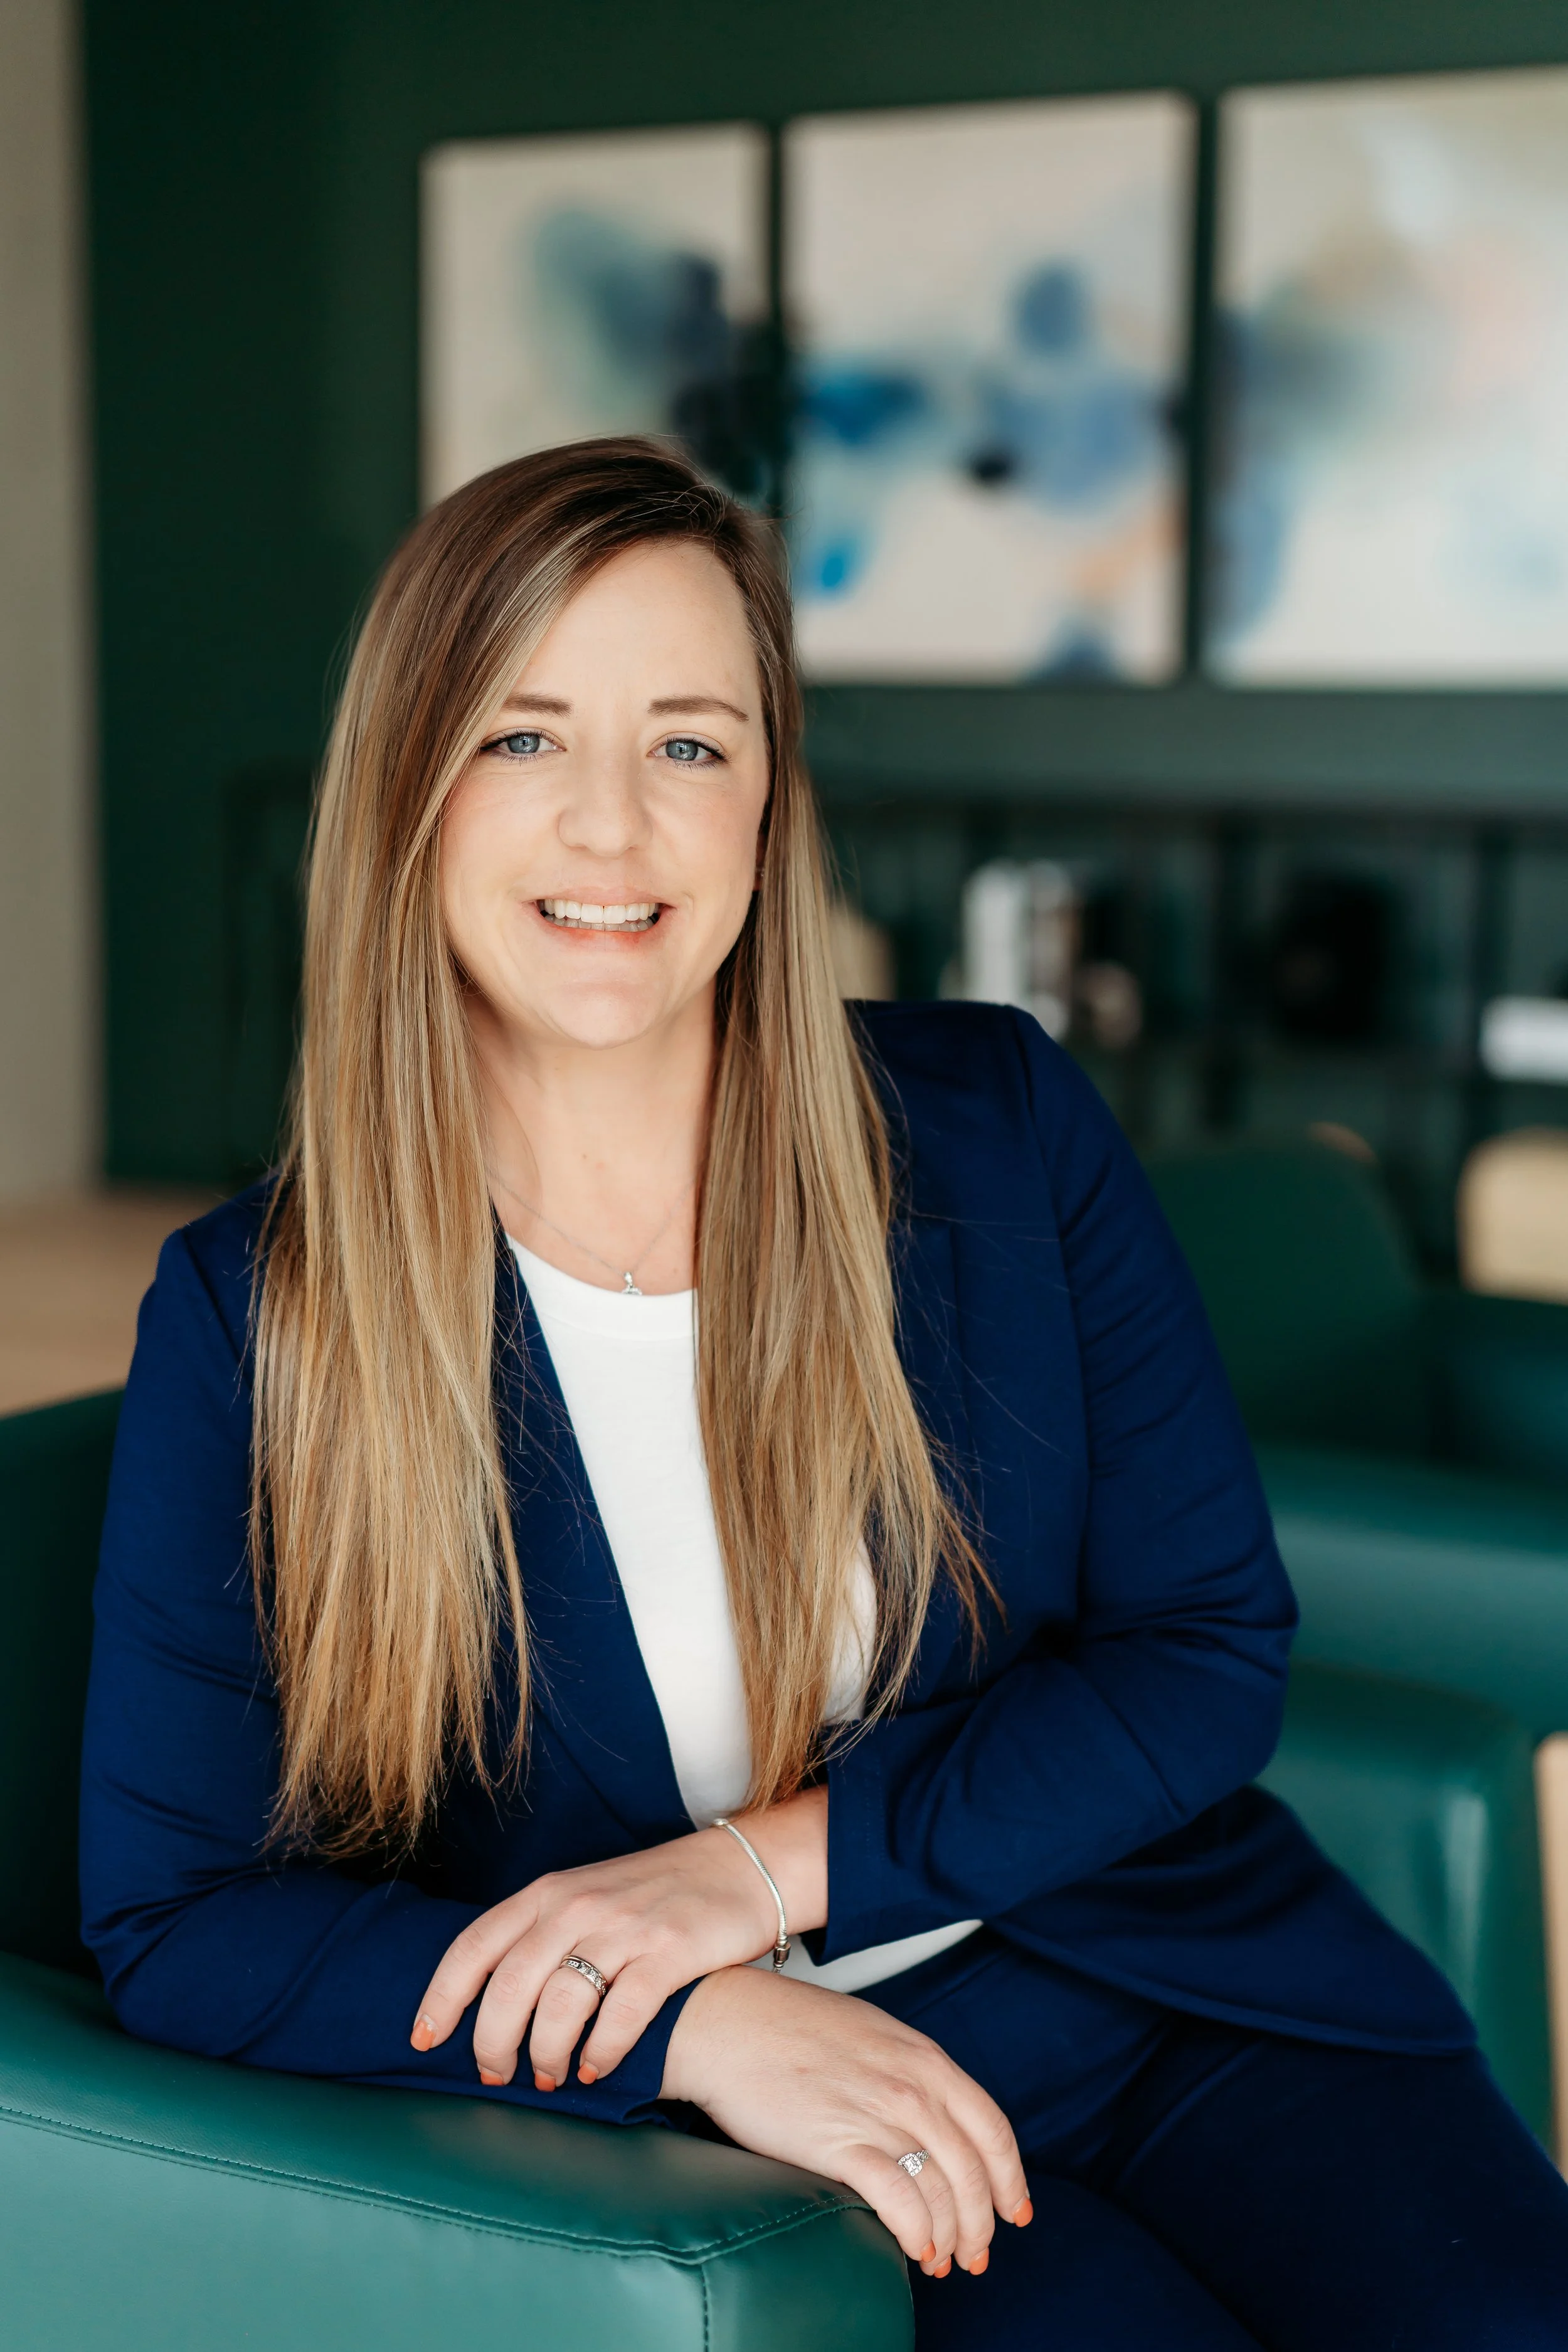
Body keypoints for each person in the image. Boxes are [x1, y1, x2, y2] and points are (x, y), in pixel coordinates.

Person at [81, 438, 1568, 2349]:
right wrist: (689, 2023)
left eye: (688, 744)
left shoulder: (996, 1123)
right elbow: (185, 1918)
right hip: (777, 2139)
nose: (612, 826)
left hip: (1168, 1989)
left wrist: (746, 1878)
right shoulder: (255, 1317)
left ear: (769, 801)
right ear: (407, 791)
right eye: (524, 737)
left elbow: (1201, 1649)